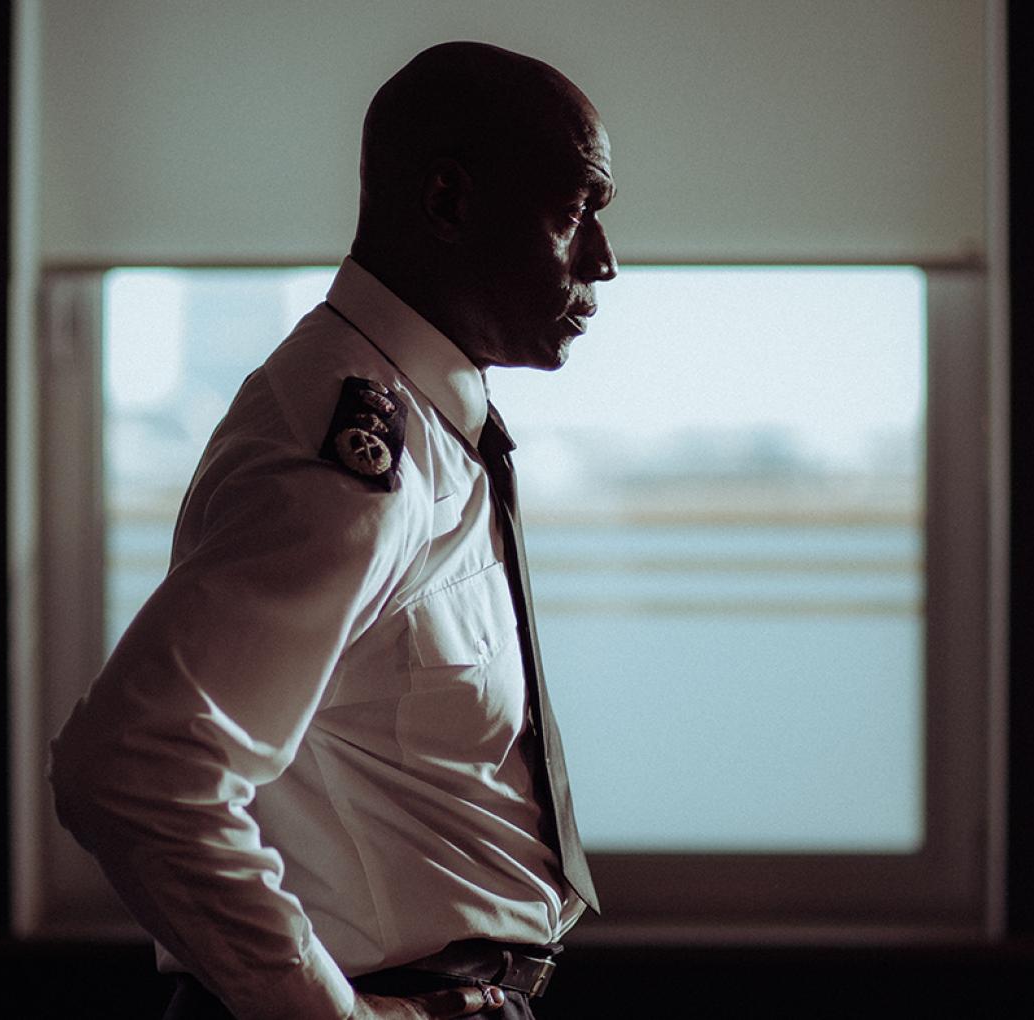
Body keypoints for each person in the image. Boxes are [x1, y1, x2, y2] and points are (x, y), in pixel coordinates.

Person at [48, 41, 617, 1020]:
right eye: (574, 214)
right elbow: (132, 766)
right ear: (448, 203)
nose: (604, 261)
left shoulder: (434, 430)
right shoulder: (352, 448)